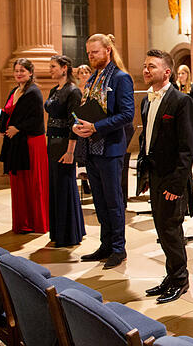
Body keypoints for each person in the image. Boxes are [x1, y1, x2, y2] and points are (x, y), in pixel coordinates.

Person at [138, 49, 193, 303]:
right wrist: (144, 173)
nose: (146, 70)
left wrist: (177, 183)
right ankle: (171, 275)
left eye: (151, 66)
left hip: (172, 178)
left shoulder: (182, 102)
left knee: (171, 230)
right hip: (155, 174)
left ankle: (180, 280)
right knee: (162, 229)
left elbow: (187, 148)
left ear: (166, 72)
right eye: (145, 65)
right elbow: (146, 138)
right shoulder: (146, 100)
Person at [73, 33, 134, 269]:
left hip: (110, 149)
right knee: (99, 201)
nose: (91, 56)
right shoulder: (91, 80)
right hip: (91, 148)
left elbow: (127, 115)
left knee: (113, 201)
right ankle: (105, 245)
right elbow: (86, 109)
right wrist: (78, 125)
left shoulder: (121, 78)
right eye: (88, 53)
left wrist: (96, 126)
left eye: (95, 52)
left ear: (108, 50)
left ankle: (119, 248)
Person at [0, 58, 49, 234]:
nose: (18, 73)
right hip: (16, 142)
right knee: (19, 182)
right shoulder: (14, 91)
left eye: (22, 71)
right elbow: (6, 112)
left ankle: (35, 222)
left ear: (30, 73)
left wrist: (17, 128)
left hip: (31, 142)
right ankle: (22, 222)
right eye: (16, 70)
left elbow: (36, 120)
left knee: (32, 182)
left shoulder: (34, 92)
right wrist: (2, 128)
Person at [44, 55, 85, 247]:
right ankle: (58, 232)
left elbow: (74, 124)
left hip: (64, 145)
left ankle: (69, 234)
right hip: (52, 143)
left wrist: (70, 151)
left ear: (65, 68)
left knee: (65, 187)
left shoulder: (73, 91)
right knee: (55, 188)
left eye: (53, 66)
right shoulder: (54, 90)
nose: (50, 70)